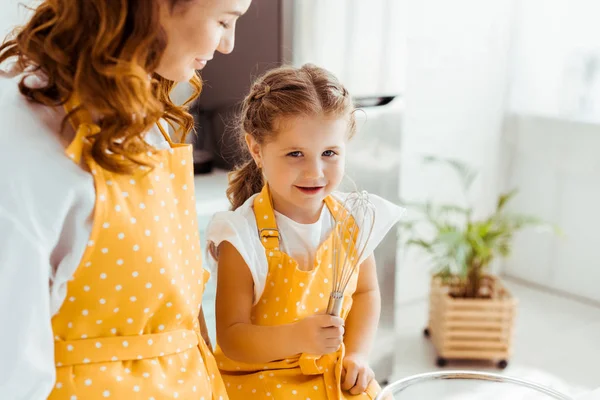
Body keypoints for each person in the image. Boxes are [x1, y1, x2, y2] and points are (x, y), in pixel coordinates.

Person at [0, 0, 251, 398]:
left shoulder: (135, 113)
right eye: (224, 21)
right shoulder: (24, 135)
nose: (228, 45)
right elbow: (10, 371)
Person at [205, 64, 405, 399]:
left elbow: (366, 294)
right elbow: (231, 337)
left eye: (329, 153)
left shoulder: (355, 219)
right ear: (257, 150)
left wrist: (356, 355)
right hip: (261, 381)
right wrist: (296, 338)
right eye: (295, 154)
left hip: (332, 376)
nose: (315, 171)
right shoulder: (241, 235)